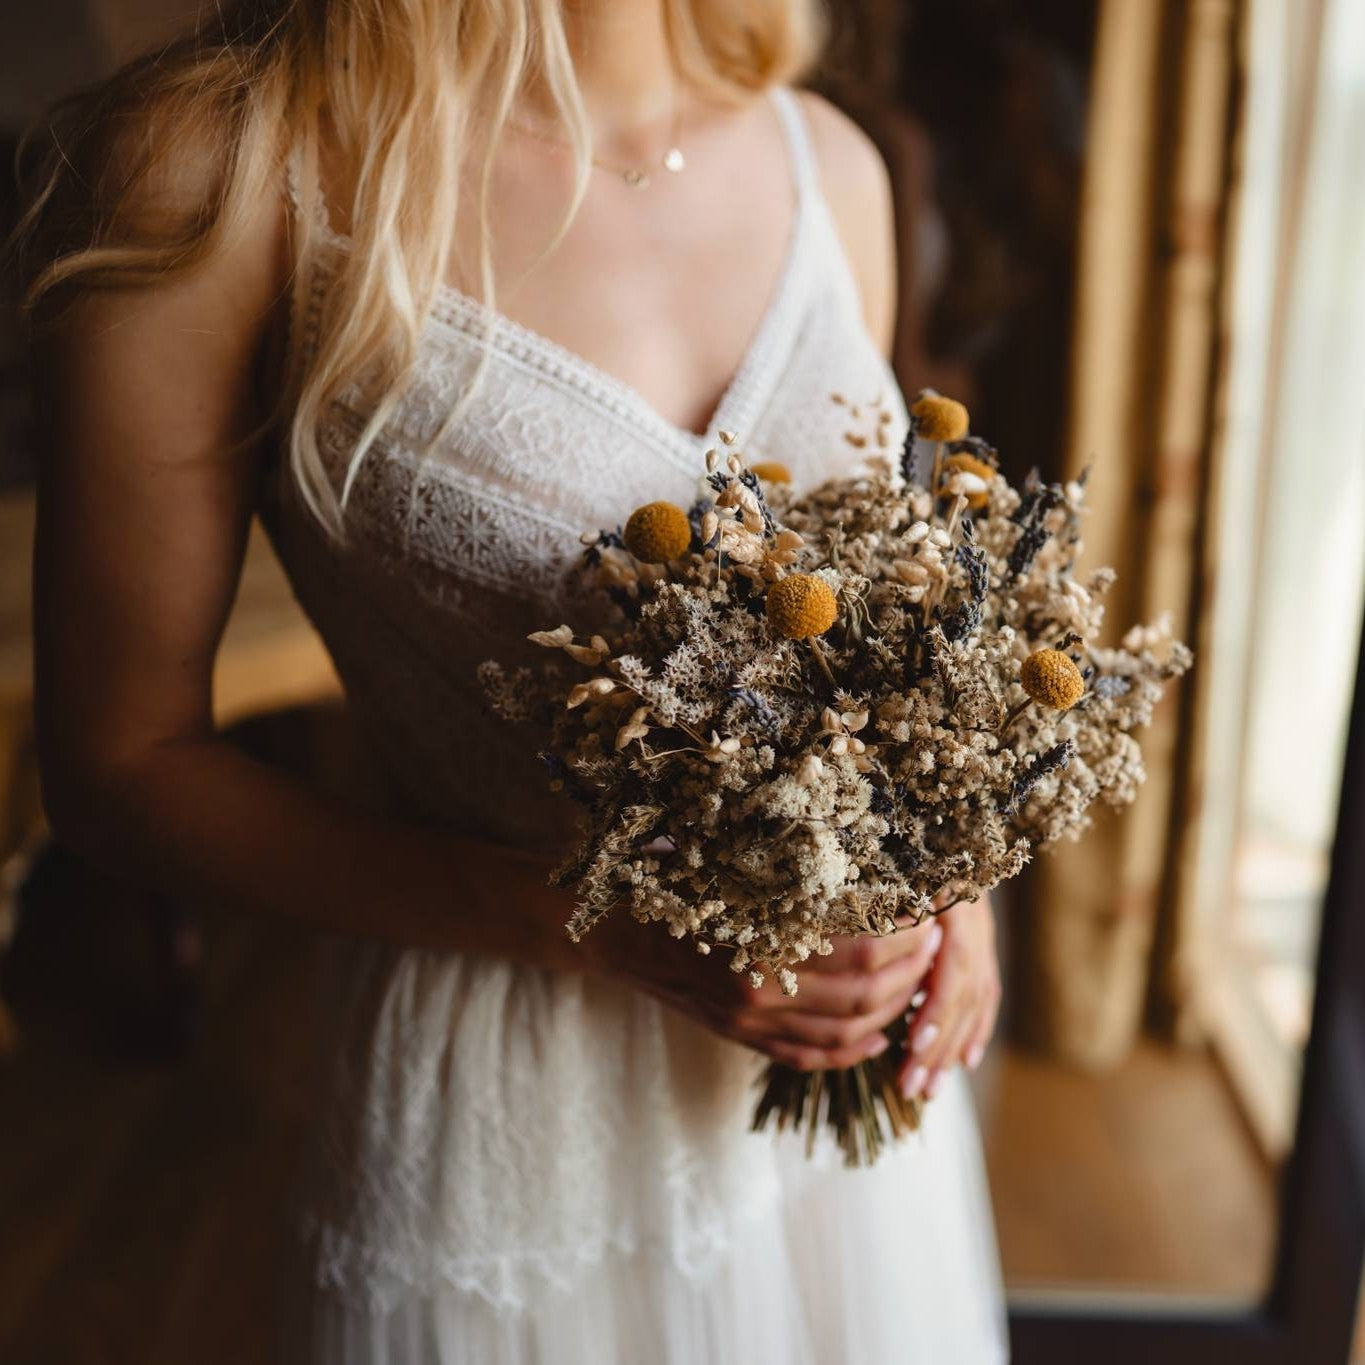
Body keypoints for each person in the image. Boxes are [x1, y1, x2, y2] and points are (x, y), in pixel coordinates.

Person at [14, 1, 1010, 1359]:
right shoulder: (225, 169)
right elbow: (116, 766)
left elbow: (862, 636)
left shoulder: (828, 160)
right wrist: (587, 921)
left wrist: (946, 872)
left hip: (836, 1126)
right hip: (494, 1112)